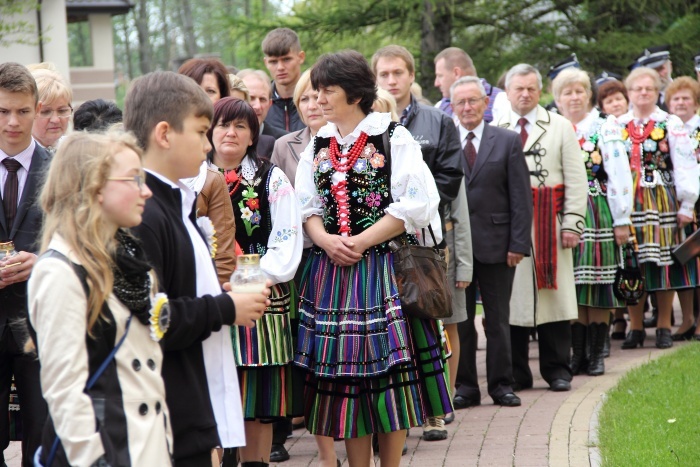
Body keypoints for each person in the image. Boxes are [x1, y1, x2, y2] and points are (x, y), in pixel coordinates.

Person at [294, 50, 451, 466]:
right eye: (316, 90)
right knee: (345, 382)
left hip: (382, 270)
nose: (319, 98)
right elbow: (305, 206)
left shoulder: (391, 136)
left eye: (328, 89)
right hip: (332, 275)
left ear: (355, 92)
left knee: (388, 379)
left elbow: (417, 203)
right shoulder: (318, 144)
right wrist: (326, 240)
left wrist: (359, 241)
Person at [123, 71, 269, 467]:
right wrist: (227, 308)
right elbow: (151, 318)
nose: (209, 145)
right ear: (165, 134)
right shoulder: (145, 214)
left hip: (190, 409)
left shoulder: (174, 203)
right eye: (203, 132)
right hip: (170, 412)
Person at [27, 130, 171, 465]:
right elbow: (66, 395)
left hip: (144, 448)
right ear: (95, 187)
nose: (146, 191)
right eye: (134, 179)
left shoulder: (131, 263)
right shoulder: (60, 272)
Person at [372, 44, 463, 440]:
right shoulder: (365, 127)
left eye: (398, 73)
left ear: (411, 75)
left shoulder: (434, 122)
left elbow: (448, 177)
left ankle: (437, 409)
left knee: (429, 317)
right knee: (394, 330)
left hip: (420, 240)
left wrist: (409, 211)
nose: (391, 81)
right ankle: (402, 411)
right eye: (384, 74)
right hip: (379, 246)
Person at [209, 97, 302, 467]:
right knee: (213, 391)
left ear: (252, 137)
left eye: (240, 127)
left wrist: (253, 278)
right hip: (211, 299)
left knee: (258, 403)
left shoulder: (271, 177)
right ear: (209, 131)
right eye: (222, 125)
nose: (230, 133)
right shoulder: (192, 178)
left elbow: (287, 235)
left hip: (260, 299)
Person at [494, 63, 588, 392]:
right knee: (514, 301)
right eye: (518, 88)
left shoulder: (560, 126)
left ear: (540, 91)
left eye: (531, 88)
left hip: (552, 222)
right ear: (507, 92)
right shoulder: (497, 126)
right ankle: (518, 373)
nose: (525, 94)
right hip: (510, 226)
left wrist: (573, 224)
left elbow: (577, 179)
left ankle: (557, 370)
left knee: (554, 298)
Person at [599, 67, 698, 350]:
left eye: (649, 89)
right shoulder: (615, 125)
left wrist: (687, 203)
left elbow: (685, 162)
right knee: (632, 263)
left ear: (658, 92)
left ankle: (665, 325)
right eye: (637, 89)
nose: (643, 93)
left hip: (662, 198)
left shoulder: (671, 122)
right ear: (629, 93)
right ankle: (636, 327)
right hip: (626, 200)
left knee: (664, 263)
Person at [269, 69, 339, 465]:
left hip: (344, 253)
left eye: (318, 97)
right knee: (304, 349)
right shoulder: (285, 145)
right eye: (304, 100)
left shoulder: (350, 143)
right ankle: (311, 435)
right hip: (302, 258)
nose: (313, 105)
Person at [449, 76, 532, 410]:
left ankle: (501, 385)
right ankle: (466, 387)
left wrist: (518, 244)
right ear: (452, 108)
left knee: (498, 319)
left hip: (499, 245)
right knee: (462, 320)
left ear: (485, 102)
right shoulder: (446, 143)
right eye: (460, 103)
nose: (467, 107)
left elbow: (521, 199)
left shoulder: (507, 141)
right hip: (457, 248)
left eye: (473, 101)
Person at [552, 68, 634, 376]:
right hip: (561, 213)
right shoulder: (556, 127)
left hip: (597, 208)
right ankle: (579, 353)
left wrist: (622, 217)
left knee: (598, 283)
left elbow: (619, 173)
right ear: (558, 99)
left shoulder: (604, 126)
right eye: (567, 92)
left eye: (579, 91)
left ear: (589, 94)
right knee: (573, 283)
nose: (573, 97)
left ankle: (598, 352)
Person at [0, 62, 49, 467]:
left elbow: (83, 240)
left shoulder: (62, 170)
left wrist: (46, 260)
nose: (13, 122)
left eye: (22, 111)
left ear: (36, 109)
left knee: (44, 433)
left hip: (42, 320)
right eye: (2, 112)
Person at [178, 62, 238, 288]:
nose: (201, 100)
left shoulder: (212, 177)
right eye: (194, 90)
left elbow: (223, 253)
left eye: (210, 92)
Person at [658, 76, 700, 341]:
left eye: (686, 98)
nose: (681, 103)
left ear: (696, 102)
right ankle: (687, 319)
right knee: (684, 260)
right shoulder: (664, 129)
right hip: (678, 201)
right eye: (676, 98)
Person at [433, 47, 503, 123]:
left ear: (456, 73)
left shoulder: (500, 101)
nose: (436, 83)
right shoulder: (440, 107)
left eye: (440, 76)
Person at [262, 28, 306, 133]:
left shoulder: (318, 100)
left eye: (286, 59)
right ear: (266, 63)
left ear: (301, 57)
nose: (280, 67)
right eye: (273, 62)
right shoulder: (260, 104)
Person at [238, 69, 286, 156]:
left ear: (270, 104)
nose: (257, 106)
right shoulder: (222, 138)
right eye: (251, 98)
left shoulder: (283, 142)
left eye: (262, 99)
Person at [28, 64, 72, 154]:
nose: (55, 120)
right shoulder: (13, 156)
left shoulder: (76, 151)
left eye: (62, 111)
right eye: (45, 112)